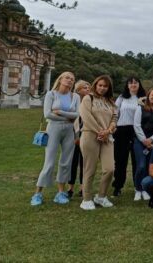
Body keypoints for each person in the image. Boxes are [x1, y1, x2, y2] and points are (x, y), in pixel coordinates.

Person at [31, 71, 80, 206]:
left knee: (66, 162)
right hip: (53, 128)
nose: (69, 80)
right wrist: (67, 117)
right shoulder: (51, 94)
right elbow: (48, 114)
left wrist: (62, 113)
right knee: (49, 162)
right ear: (61, 79)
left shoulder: (75, 96)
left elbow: (77, 114)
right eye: (67, 78)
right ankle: (37, 194)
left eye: (72, 79)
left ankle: (60, 193)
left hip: (69, 130)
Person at [78, 75, 118, 210]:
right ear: (95, 85)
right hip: (90, 135)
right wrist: (100, 132)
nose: (102, 88)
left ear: (109, 88)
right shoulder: (88, 98)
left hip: (107, 137)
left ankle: (101, 196)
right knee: (90, 169)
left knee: (110, 168)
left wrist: (108, 131)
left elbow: (114, 119)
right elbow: (86, 116)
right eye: (100, 85)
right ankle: (87, 199)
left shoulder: (110, 102)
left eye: (105, 86)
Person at [112, 77, 146, 197]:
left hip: (137, 130)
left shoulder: (144, 98)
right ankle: (117, 186)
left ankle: (139, 187)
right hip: (121, 130)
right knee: (120, 160)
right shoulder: (122, 97)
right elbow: (115, 113)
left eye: (135, 82)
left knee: (138, 161)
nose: (133, 85)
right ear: (127, 85)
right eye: (130, 83)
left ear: (139, 84)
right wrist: (113, 126)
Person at [132, 87, 153, 202]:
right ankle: (138, 189)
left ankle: (146, 189)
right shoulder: (140, 108)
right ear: (148, 96)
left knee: (150, 166)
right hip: (140, 141)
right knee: (141, 166)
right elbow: (136, 125)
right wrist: (144, 140)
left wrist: (151, 139)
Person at [67, 80, 91, 198]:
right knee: (72, 162)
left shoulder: (91, 102)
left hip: (86, 135)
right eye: (85, 88)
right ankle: (70, 187)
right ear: (78, 90)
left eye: (88, 88)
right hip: (72, 135)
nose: (87, 89)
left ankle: (82, 187)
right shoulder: (72, 102)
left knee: (84, 162)